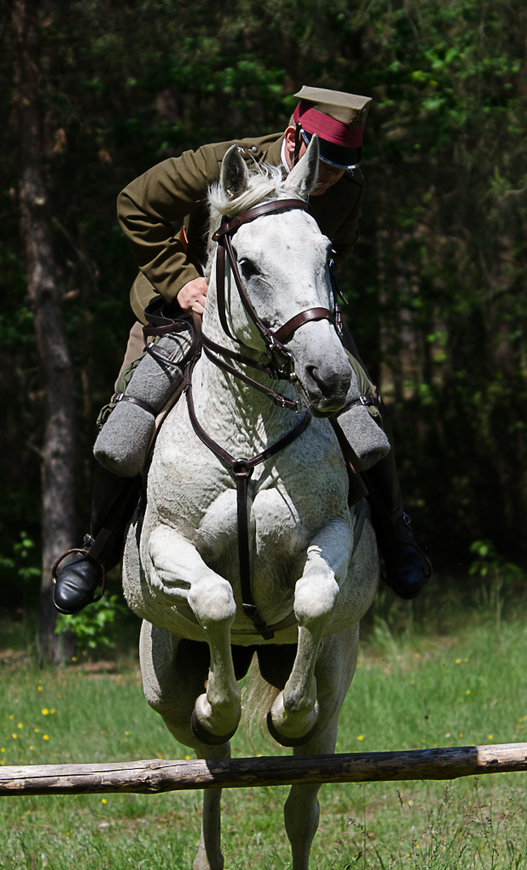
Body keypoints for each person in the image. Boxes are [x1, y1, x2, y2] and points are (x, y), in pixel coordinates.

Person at [52, 86, 431, 615]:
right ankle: (94, 550)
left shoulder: (345, 187)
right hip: (187, 310)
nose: (330, 178)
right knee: (132, 414)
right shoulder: (220, 162)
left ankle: (397, 538)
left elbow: (330, 253)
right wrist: (180, 280)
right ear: (294, 136)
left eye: (342, 167)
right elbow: (134, 203)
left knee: (360, 405)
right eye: (325, 162)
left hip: (287, 319)